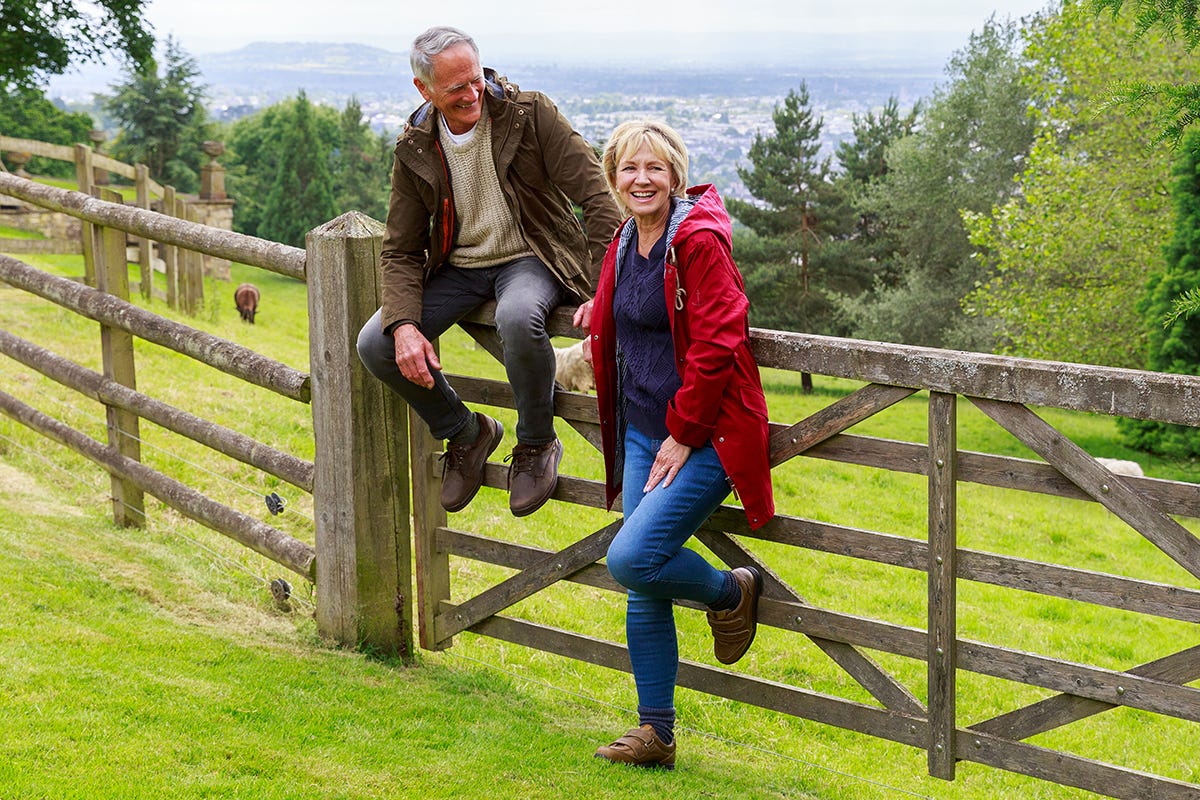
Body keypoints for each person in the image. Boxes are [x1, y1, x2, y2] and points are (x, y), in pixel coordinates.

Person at [573, 120, 775, 769]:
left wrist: (684, 434)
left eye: (654, 168)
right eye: (629, 169)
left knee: (632, 558)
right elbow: (630, 310)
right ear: (613, 178)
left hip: (705, 433)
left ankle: (730, 592)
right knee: (645, 581)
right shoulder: (625, 240)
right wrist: (595, 312)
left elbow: (719, 341)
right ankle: (655, 732)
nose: (641, 179)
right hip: (642, 429)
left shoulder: (699, 241)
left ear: (675, 175)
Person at [356, 26, 622, 517]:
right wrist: (405, 324)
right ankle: (466, 433)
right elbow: (399, 249)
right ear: (425, 90)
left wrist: (602, 287)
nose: (472, 93)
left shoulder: (530, 113)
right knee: (377, 343)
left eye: (475, 80)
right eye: (456, 87)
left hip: (532, 256)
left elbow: (597, 197)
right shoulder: (415, 145)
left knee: (519, 318)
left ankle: (538, 443)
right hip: (459, 267)